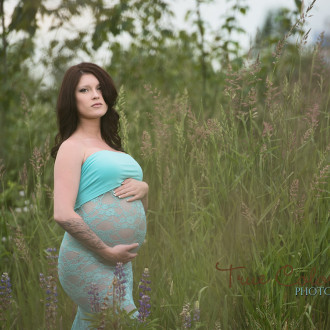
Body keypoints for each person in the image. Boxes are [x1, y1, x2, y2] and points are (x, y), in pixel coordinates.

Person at [51, 62, 148, 329]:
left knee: (95, 325)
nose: (95, 94)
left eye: (99, 88)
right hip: (89, 257)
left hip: (120, 260)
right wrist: (105, 251)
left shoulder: (114, 149)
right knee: (127, 323)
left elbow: (134, 205)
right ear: (71, 100)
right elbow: (62, 213)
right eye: (85, 90)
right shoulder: (71, 147)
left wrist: (144, 188)